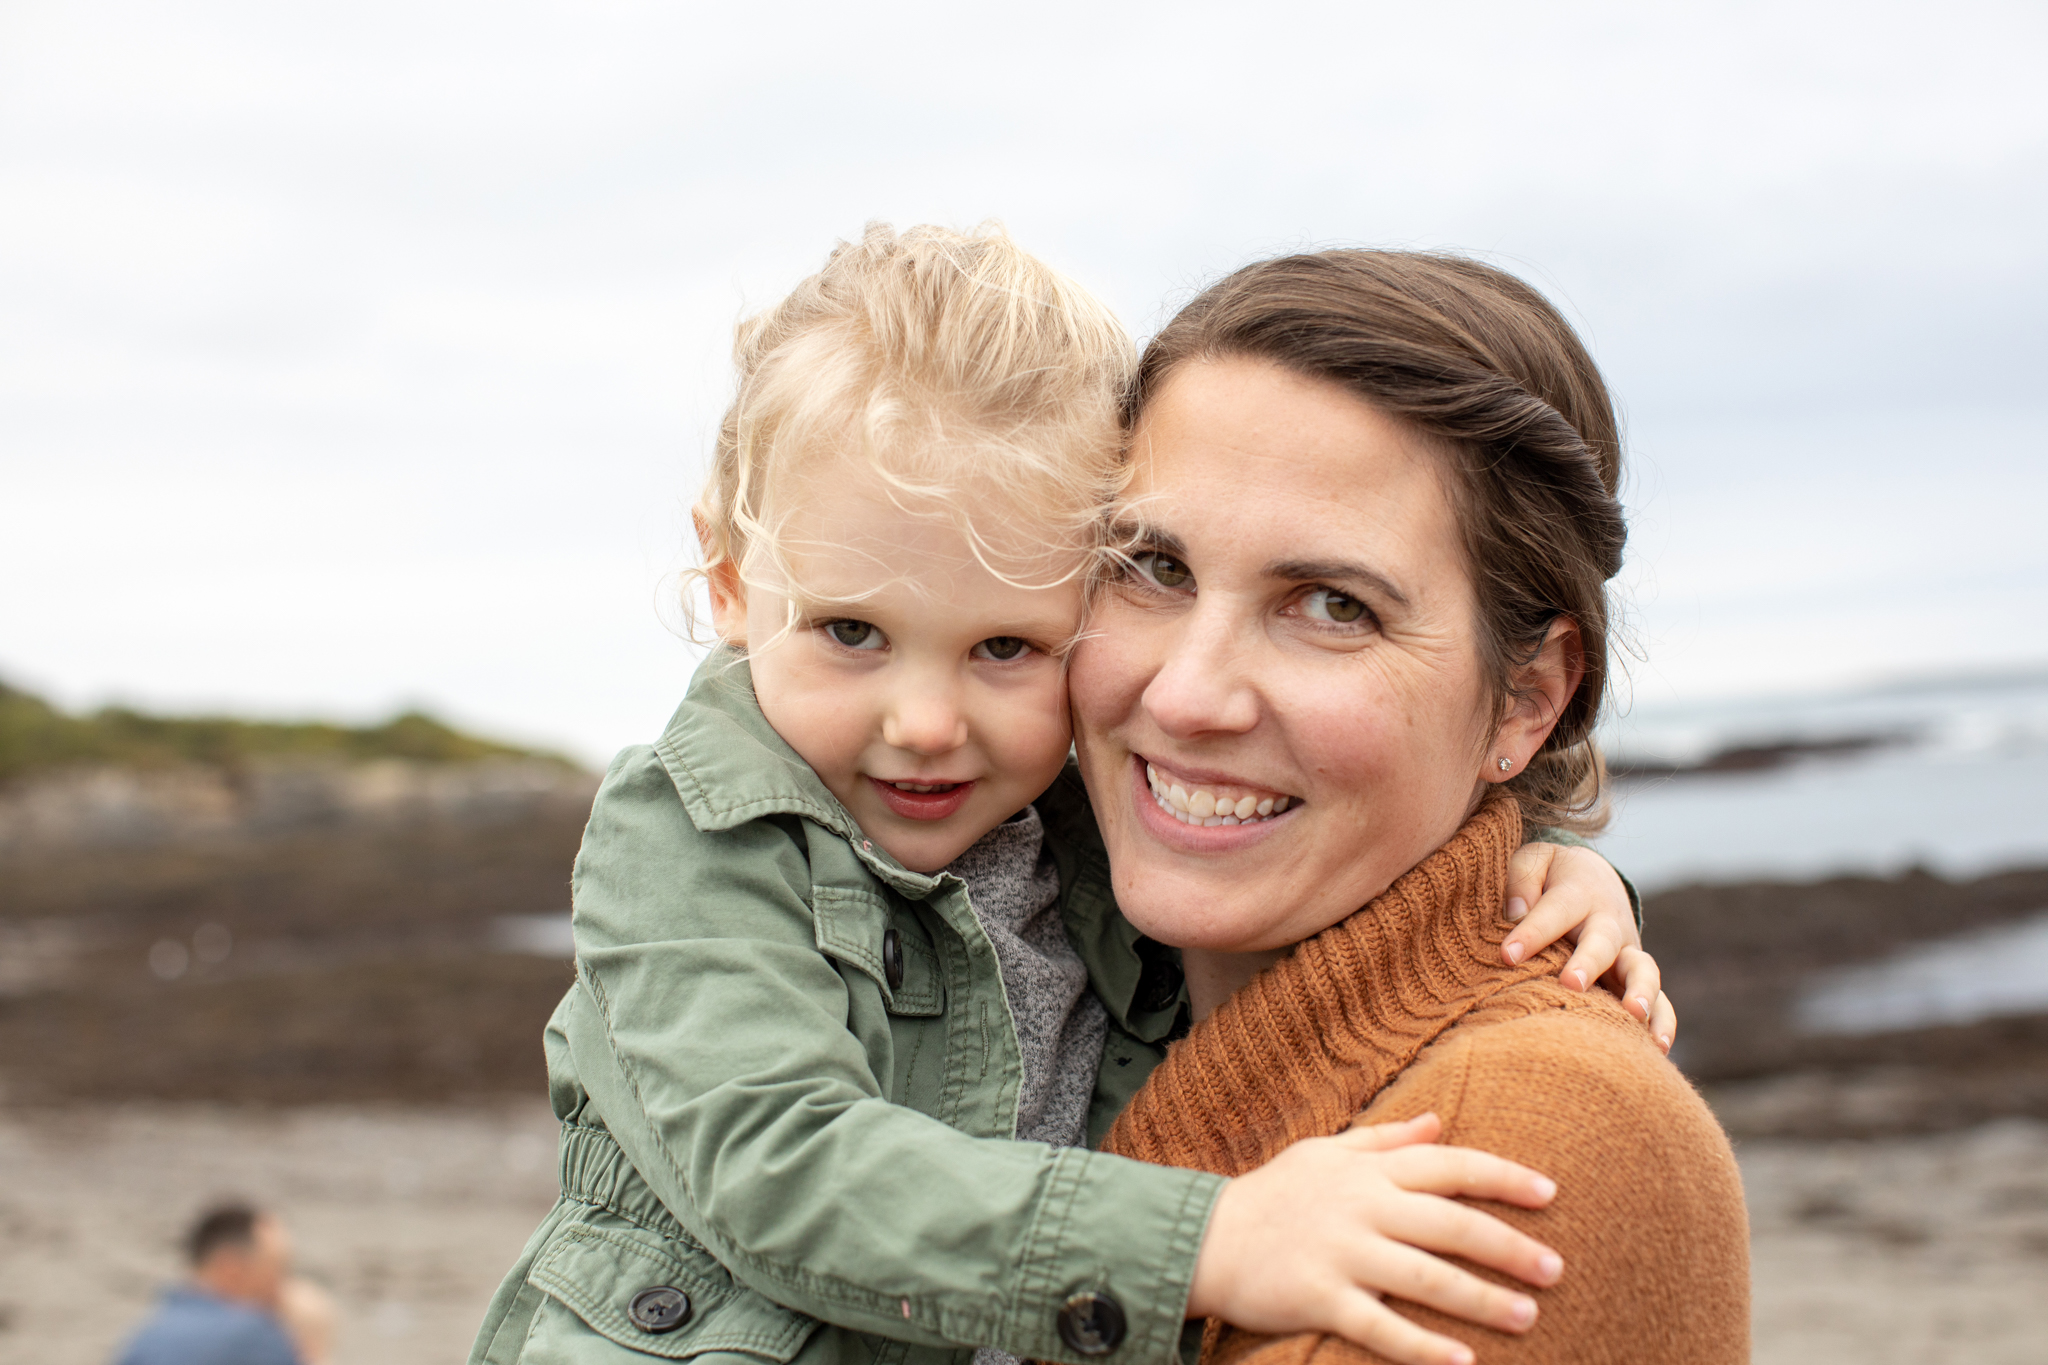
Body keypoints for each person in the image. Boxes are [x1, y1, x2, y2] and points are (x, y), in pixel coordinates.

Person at [468, 225, 1665, 1365]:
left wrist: (1545, 849)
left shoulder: (1050, 802)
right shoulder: (696, 834)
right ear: (731, 588)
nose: (926, 724)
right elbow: (775, 1165)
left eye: (1008, 647)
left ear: (1528, 701)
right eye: (1153, 569)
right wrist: (1206, 1243)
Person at [1077, 250, 1751, 1365]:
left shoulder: (1528, 1135)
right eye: (1149, 565)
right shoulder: (1027, 991)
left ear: (1525, 702)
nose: (1185, 694)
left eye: (1331, 606)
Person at [114, 1202, 301, 1365]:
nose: (283, 1289)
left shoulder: (146, 1340)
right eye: (278, 1271)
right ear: (231, 1268)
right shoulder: (253, 1335)